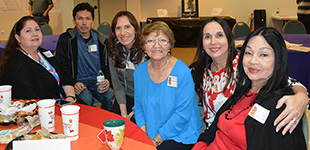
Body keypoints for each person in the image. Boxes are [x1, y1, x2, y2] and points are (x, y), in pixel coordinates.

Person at [192, 27, 306, 150]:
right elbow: (212, 130)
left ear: (278, 61)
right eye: (248, 53)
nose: (253, 61)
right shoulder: (242, 90)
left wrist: (302, 95)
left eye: (263, 55)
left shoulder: (281, 107)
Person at [133, 21, 202, 150]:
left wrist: (157, 140)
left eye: (163, 40)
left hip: (181, 134)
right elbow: (138, 106)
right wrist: (144, 131)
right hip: (151, 132)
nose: (157, 46)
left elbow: (182, 115)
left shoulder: (182, 72)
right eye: (151, 41)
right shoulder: (139, 72)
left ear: (170, 45)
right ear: (143, 46)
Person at [0, 16, 75, 103]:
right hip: (42, 109)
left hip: (65, 101)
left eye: (37, 29)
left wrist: (70, 97)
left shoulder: (44, 52)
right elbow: (32, 95)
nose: (35, 34)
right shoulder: (15, 63)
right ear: (18, 38)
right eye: (28, 31)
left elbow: (64, 75)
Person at [55, 2, 113, 110]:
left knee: (110, 96)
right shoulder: (66, 39)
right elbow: (60, 66)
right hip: (78, 82)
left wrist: (107, 80)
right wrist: (73, 83)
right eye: (80, 19)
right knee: (87, 99)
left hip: (97, 81)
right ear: (74, 21)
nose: (84, 23)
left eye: (88, 19)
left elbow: (108, 64)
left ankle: (106, 122)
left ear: (93, 22)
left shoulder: (102, 41)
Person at [108, 11, 146, 121]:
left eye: (127, 27)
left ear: (135, 29)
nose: (122, 33)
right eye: (118, 28)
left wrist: (134, 112)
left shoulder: (147, 51)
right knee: (116, 123)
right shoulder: (113, 52)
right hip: (124, 97)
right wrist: (123, 111)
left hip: (145, 100)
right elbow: (117, 86)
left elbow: (152, 90)